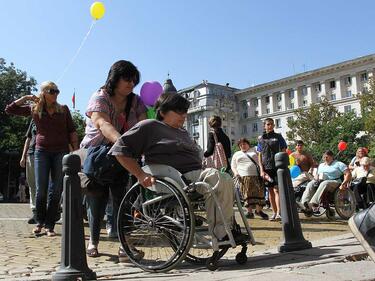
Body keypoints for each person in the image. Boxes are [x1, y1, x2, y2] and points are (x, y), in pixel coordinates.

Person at [109, 93, 239, 243]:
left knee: (227, 179)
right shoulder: (150, 126)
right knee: (217, 177)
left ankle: (229, 228)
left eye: (185, 111)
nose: (184, 115)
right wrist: (140, 174)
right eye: (179, 111)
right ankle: (222, 233)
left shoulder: (183, 132)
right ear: (163, 112)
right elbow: (119, 149)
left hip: (195, 175)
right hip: (176, 178)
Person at [80, 60, 147, 259]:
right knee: (97, 198)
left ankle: (124, 246)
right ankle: (93, 242)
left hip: (123, 156)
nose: (131, 83)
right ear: (114, 78)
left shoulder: (136, 101)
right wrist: (121, 142)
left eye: (134, 80)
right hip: (98, 154)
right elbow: (102, 124)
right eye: (127, 78)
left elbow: (143, 126)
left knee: (122, 199)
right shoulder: (100, 97)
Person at [5, 81, 78, 236]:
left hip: (61, 152)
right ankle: (39, 222)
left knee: (56, 189)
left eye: (57, 90)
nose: (56, 93)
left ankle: (50, 226)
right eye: (52, 90)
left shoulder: (63, 109)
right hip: (41, 152)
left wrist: (76, 152)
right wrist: (25, 97)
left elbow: (71, 130)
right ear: (43, 92)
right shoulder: (35, 109)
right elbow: (10, 109)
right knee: (41, 190)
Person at [257, 118, 287, 221]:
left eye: (271, 124)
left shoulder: (278, 137)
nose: (269, 126)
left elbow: (284, 150)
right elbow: (259, 155)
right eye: (267, 124)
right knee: (270, 191)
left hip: (277, 167)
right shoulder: (261, 139)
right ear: (264, 126)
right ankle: (274, 213)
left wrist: (283, 164)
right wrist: (261, 169)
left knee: (276, 190)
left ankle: (280, 213)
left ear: (274, 125)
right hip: (266, 168)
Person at [231, 138, 268, 220]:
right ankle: (249, 212)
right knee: (247, 195)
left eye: (244, 144)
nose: (242, 146)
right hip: (243, 177)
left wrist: (260, 139)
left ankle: (259, 211)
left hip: (256, 176)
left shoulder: (254, 149)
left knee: (259, 193)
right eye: (240, 145)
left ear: (248, 144)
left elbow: (261, 150)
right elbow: (233, 166)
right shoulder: (236, 154)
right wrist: (236, 173)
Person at [20, 120, 37, 223]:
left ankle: (50, 212)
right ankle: (35, 211)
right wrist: (23, 156)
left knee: (47, 185)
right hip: (32, 154)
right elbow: (28, 138)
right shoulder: (34, 118)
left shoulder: (56, 113)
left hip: (48, 154)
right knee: (32, 184)